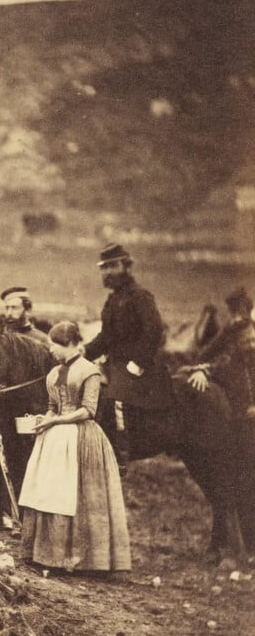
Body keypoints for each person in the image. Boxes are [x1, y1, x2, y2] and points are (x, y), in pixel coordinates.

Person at [19, 321, 131, 573]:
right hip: (54, 438)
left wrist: (57, 420)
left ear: (69, 344)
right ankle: (45, 553)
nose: (51, 351)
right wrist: (45, 419)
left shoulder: (89, 371)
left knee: (76, 493)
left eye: (54, 346)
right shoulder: (53, 372)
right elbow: (52, 406)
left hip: (81, 437)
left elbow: (88, 411)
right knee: (49, 491)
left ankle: (84, 560)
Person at [83, 243, 172, 471]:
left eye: (112, 266)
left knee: (114, 397)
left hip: (141, 366)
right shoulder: (113, 300)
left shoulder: (140, 296)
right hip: (115, 364)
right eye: (103, 268)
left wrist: (137, 363)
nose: (107, 272)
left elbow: (154, 331)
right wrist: (83, 353)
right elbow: (105, 337)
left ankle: (119, 454)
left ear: (126, 266)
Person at [187, 286, 255, 552]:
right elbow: (211, 357)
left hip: (249, 417)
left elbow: (225, 361)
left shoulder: (246, 336)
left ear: (247, 311)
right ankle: (246, 546)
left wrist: (205, 367)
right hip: (240, 419)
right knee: (241, 479)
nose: (238, 319)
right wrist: (202, 368)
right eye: (234, 313)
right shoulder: (233, 335)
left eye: (241, 313)